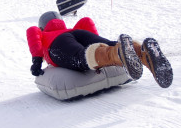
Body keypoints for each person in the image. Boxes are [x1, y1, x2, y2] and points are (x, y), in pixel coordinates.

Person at [27, 11, 172, 88]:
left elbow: (32, 32)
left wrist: (36, 61)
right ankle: (142, 51)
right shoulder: (72, 28)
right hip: (80, 33)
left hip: (58, 43)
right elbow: (87, 22)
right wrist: (97, 43)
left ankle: (116, 54)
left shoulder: (44, 34)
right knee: (110, 44)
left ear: (42, 26)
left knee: (81, 57)